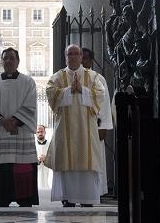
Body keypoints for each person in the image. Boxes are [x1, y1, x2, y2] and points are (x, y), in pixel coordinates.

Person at [45, 44, 113, 207]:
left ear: (81, 56)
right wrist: (69, 90)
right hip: (64, 129)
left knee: (87, 161)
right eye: (70, 54)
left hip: (87, 130)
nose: (73, 57)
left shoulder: (93, 77)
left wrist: (82, 89)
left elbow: (100, 96)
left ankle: (87, 198)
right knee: (66, 162)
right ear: (65, 56)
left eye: (76, 54)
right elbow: (51, 95)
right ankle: (67, 197)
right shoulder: (57, 77)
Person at [0, 47, 39, 207]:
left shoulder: (28, 82)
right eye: (5, 58)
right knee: (2, 169)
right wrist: (2, 121)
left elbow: (31, 104)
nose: (8, 61)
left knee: (22, 166)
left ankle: (24, 198)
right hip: (1, 131)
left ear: (18, 61)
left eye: (12, 58)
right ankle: (1, 197)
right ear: (1, 61)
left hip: (21, 133)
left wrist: (15, 121)